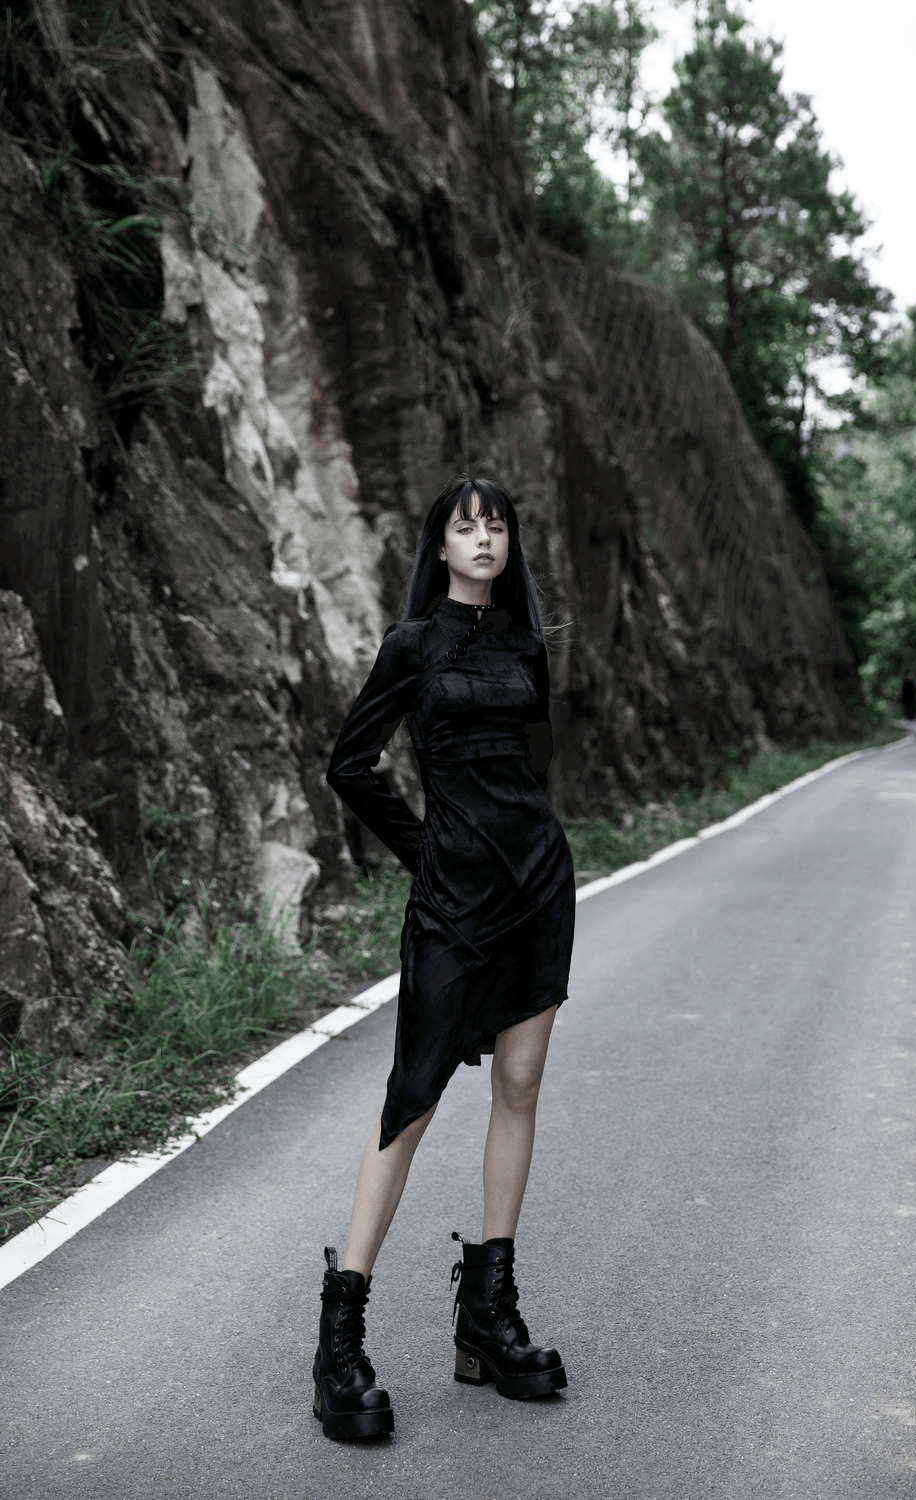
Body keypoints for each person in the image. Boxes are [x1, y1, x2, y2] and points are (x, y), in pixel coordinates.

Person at [312, 476, 576, 1441]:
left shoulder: (527, 648)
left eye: (496, 526)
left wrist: (526, 841)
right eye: (466, 526)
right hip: (451, 900)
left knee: (519, 1085)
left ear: (511, 545)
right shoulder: (413, 644)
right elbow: (350, 762)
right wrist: (426, 848)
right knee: (412, 1098)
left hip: (537, 887)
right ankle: (341, 1338)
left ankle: (487, 1318)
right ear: (441, 543)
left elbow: (537, 764)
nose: (483, 539)